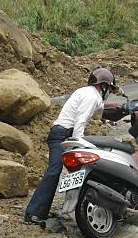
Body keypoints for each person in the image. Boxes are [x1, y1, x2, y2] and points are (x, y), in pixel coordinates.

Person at [24, 67, 119, 226]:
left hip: (63, 133)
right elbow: (80, 122)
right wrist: (79, 144)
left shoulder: (85, 92)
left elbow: (100, 112)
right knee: (55, 171)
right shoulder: (92, 96)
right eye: (108, 88)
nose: (108, 91)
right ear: (102, 86)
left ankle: (69, 209)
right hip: (62, 135)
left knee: (78, 173)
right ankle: (33, 213)